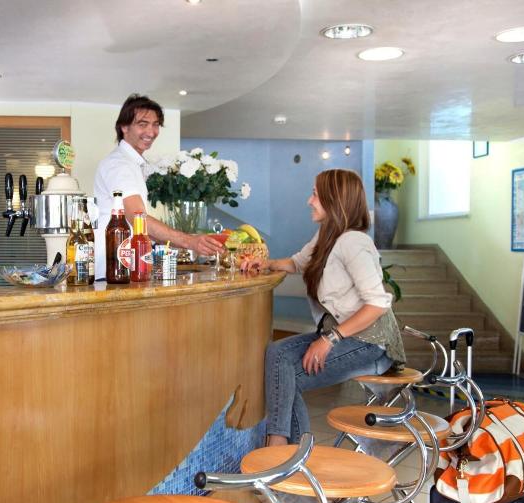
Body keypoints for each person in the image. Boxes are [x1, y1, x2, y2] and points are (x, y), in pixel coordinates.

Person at [241, 168, 406, 446]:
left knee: (288, 377)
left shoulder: (353, 242)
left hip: (369, 342)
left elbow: (377, 304)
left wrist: (329, 340)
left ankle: (282, 449)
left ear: (334, 200)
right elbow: (297, 262)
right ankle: (285, 450)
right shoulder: (327, 235)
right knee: (277, 354)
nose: (309, 201)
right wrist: (266, 264)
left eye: (315, 195)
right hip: (344, 334)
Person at [93, 94, 222, 278]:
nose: (151, 132)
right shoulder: (120, 164)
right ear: (124, 127)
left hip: (122, 266)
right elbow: (138, 218)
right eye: (143, 124)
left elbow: (140, 227)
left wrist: (189, 243)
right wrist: (189, 241)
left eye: (155, 124)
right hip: (113, 270)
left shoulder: (130, 163)